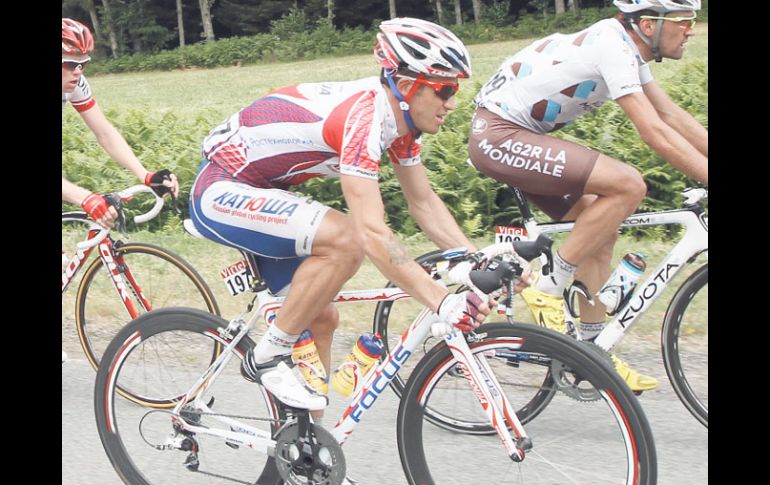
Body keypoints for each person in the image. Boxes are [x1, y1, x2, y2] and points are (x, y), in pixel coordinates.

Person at [189, 17, 493, 416]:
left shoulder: (400, 126)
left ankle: (308, 455)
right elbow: (369, 231)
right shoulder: (364, 118)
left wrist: (475, 260)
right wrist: (440, 301)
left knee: (320, 319)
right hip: (222, 188)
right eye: (445, 89)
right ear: (406, 87)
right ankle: (267, 356)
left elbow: (423, 202)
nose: (452, 102)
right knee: (347, 240)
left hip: (266, 192)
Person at [467, 0, 707, 391]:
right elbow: (653, 131)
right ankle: (548, 288)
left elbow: (671, 116)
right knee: (628, 184)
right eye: (684, 21)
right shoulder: (611, 45)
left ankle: (593, 353)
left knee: (601, 227)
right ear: (648, 24)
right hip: (498, 135)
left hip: (516, 136)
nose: (691, 29)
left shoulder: (627, 48)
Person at [62, 18, 179, 362]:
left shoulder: (75, 85)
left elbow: (104, 132)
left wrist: (145, 175)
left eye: (83, 64)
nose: (78, 72)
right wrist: (84, 197)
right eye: (70, 63)